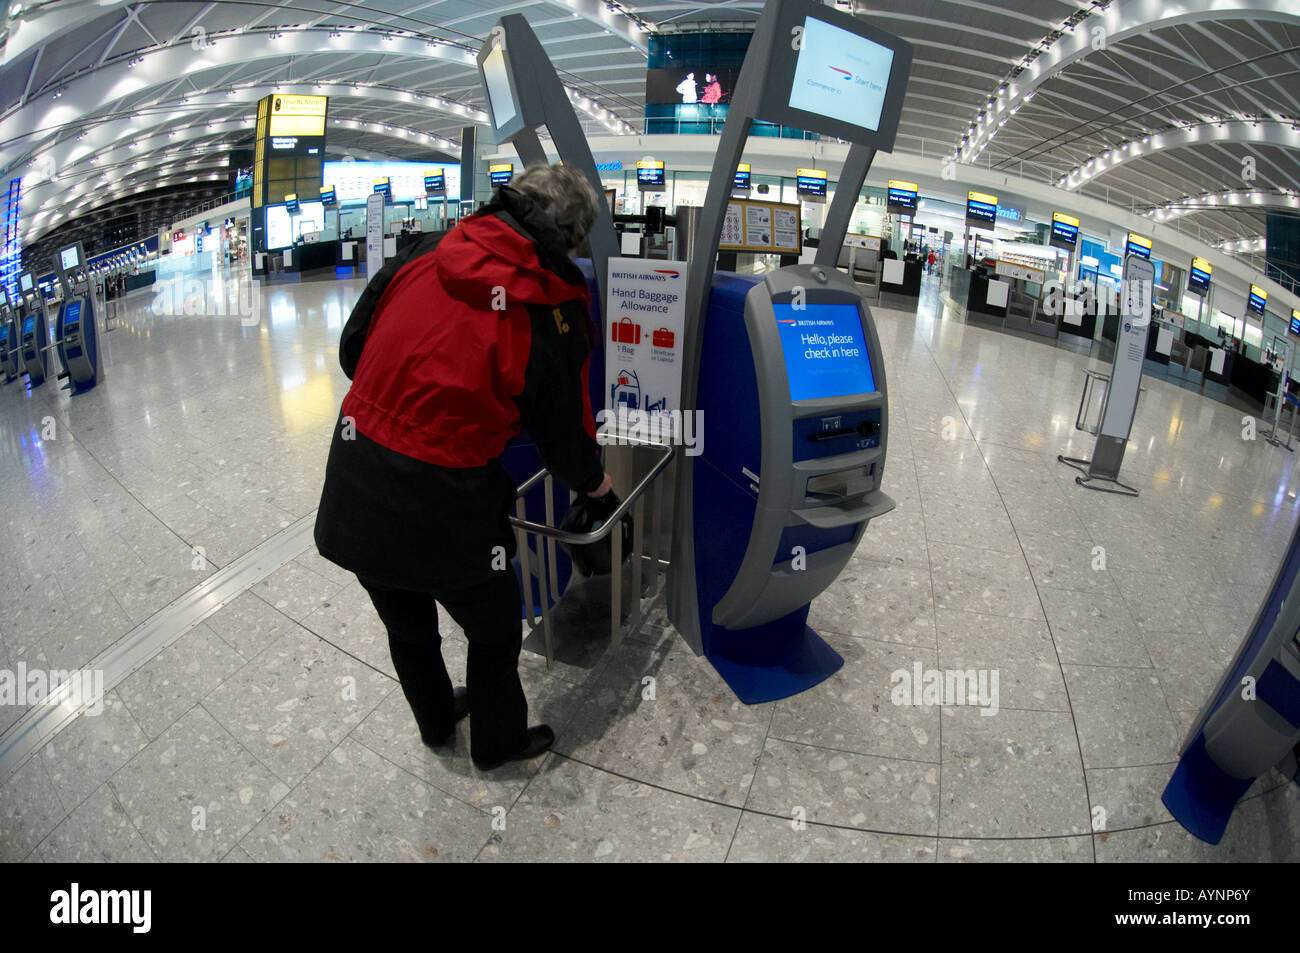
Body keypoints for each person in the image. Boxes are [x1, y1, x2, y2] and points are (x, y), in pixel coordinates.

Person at [314, 163, 613, 770]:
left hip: (355, 468)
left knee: (406, 619)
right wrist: (597, 485)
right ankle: (498, 743)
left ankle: (433, 720)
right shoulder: (547, 301)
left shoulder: (428, 249)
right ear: (571, 236)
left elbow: (353, 349)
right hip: (445, 495)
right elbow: (563, 430)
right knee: (495, 629)